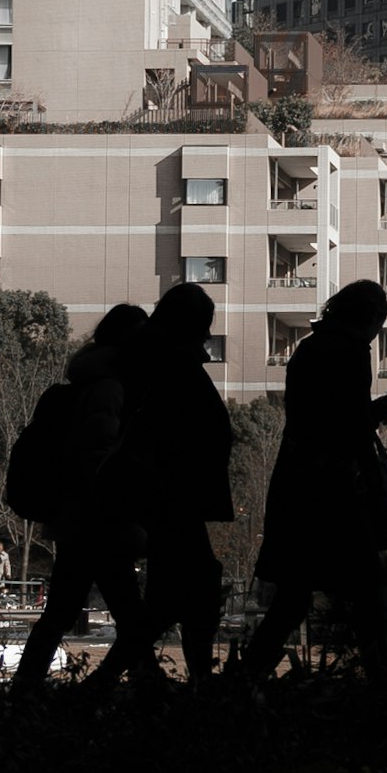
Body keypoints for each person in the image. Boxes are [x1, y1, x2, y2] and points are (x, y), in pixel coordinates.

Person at [239, 280, 387, 685]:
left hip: (300, 485)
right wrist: (381, 409)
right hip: (335, 491)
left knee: (293, 596)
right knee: (370, 592)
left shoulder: (311, 348)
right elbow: (343, 425)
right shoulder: (349, 352)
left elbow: (317, 419)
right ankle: (385, 681)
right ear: (369, 319)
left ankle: (244, 678)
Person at [94, 281, 234, 684]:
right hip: (171, 498)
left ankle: (135, 679)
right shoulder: (169, 365)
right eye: (204, 324)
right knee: (192, 591)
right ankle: (196, 681)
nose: (208, 334)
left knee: (177, 597)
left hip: (167, 497)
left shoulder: (157, 361)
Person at [7, 305, 147, 700]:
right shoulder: (111, 387)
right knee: (127, 612)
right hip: (100, 520)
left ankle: (28, 685)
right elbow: (99, 456)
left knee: (67, 610)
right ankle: (137, 684)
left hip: (76, 519)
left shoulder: (88, 381)